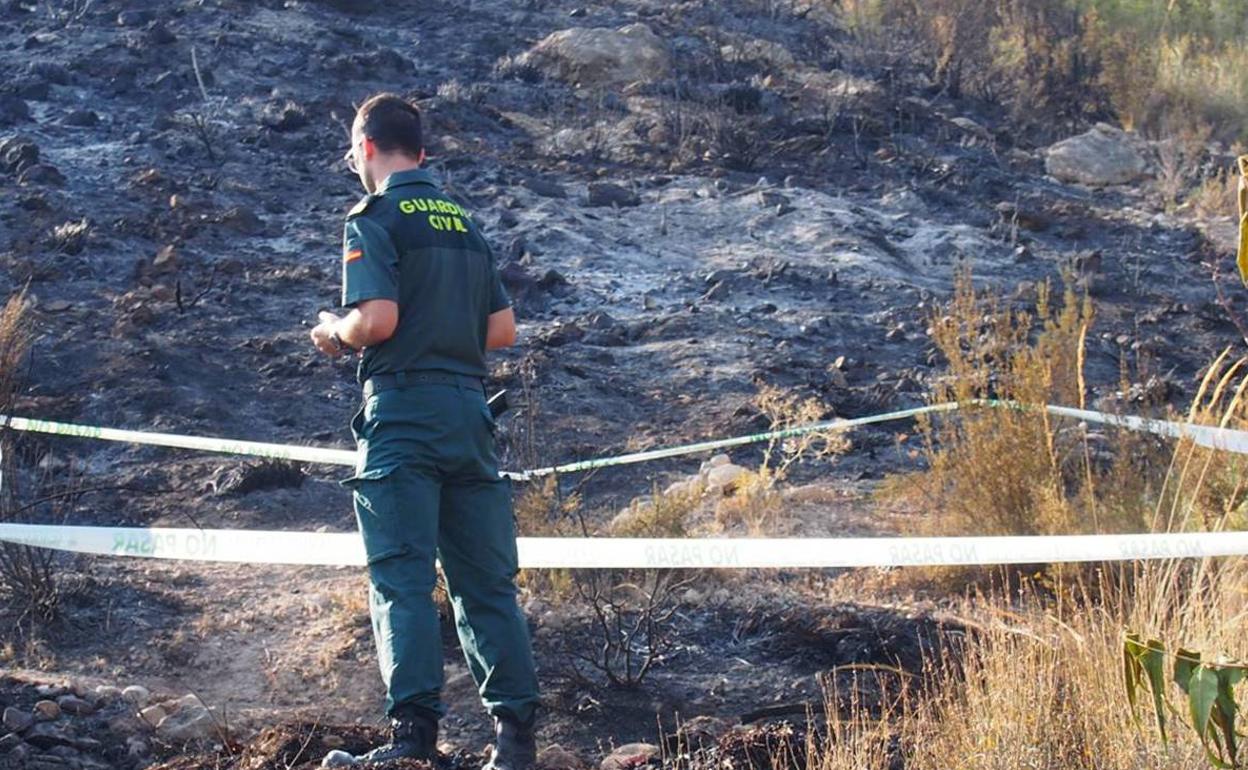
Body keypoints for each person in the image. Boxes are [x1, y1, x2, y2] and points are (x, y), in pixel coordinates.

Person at [309, 92, 540, 769]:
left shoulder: (374, 217)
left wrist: (335, 331)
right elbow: (502, 331)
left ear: (366, 148)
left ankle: (414, 743)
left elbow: (374, 320)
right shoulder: (464, 223)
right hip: (470, 415)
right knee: (486, 583)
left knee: (402, 578)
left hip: (404, 416)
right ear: (424, 152)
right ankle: (515, 743)